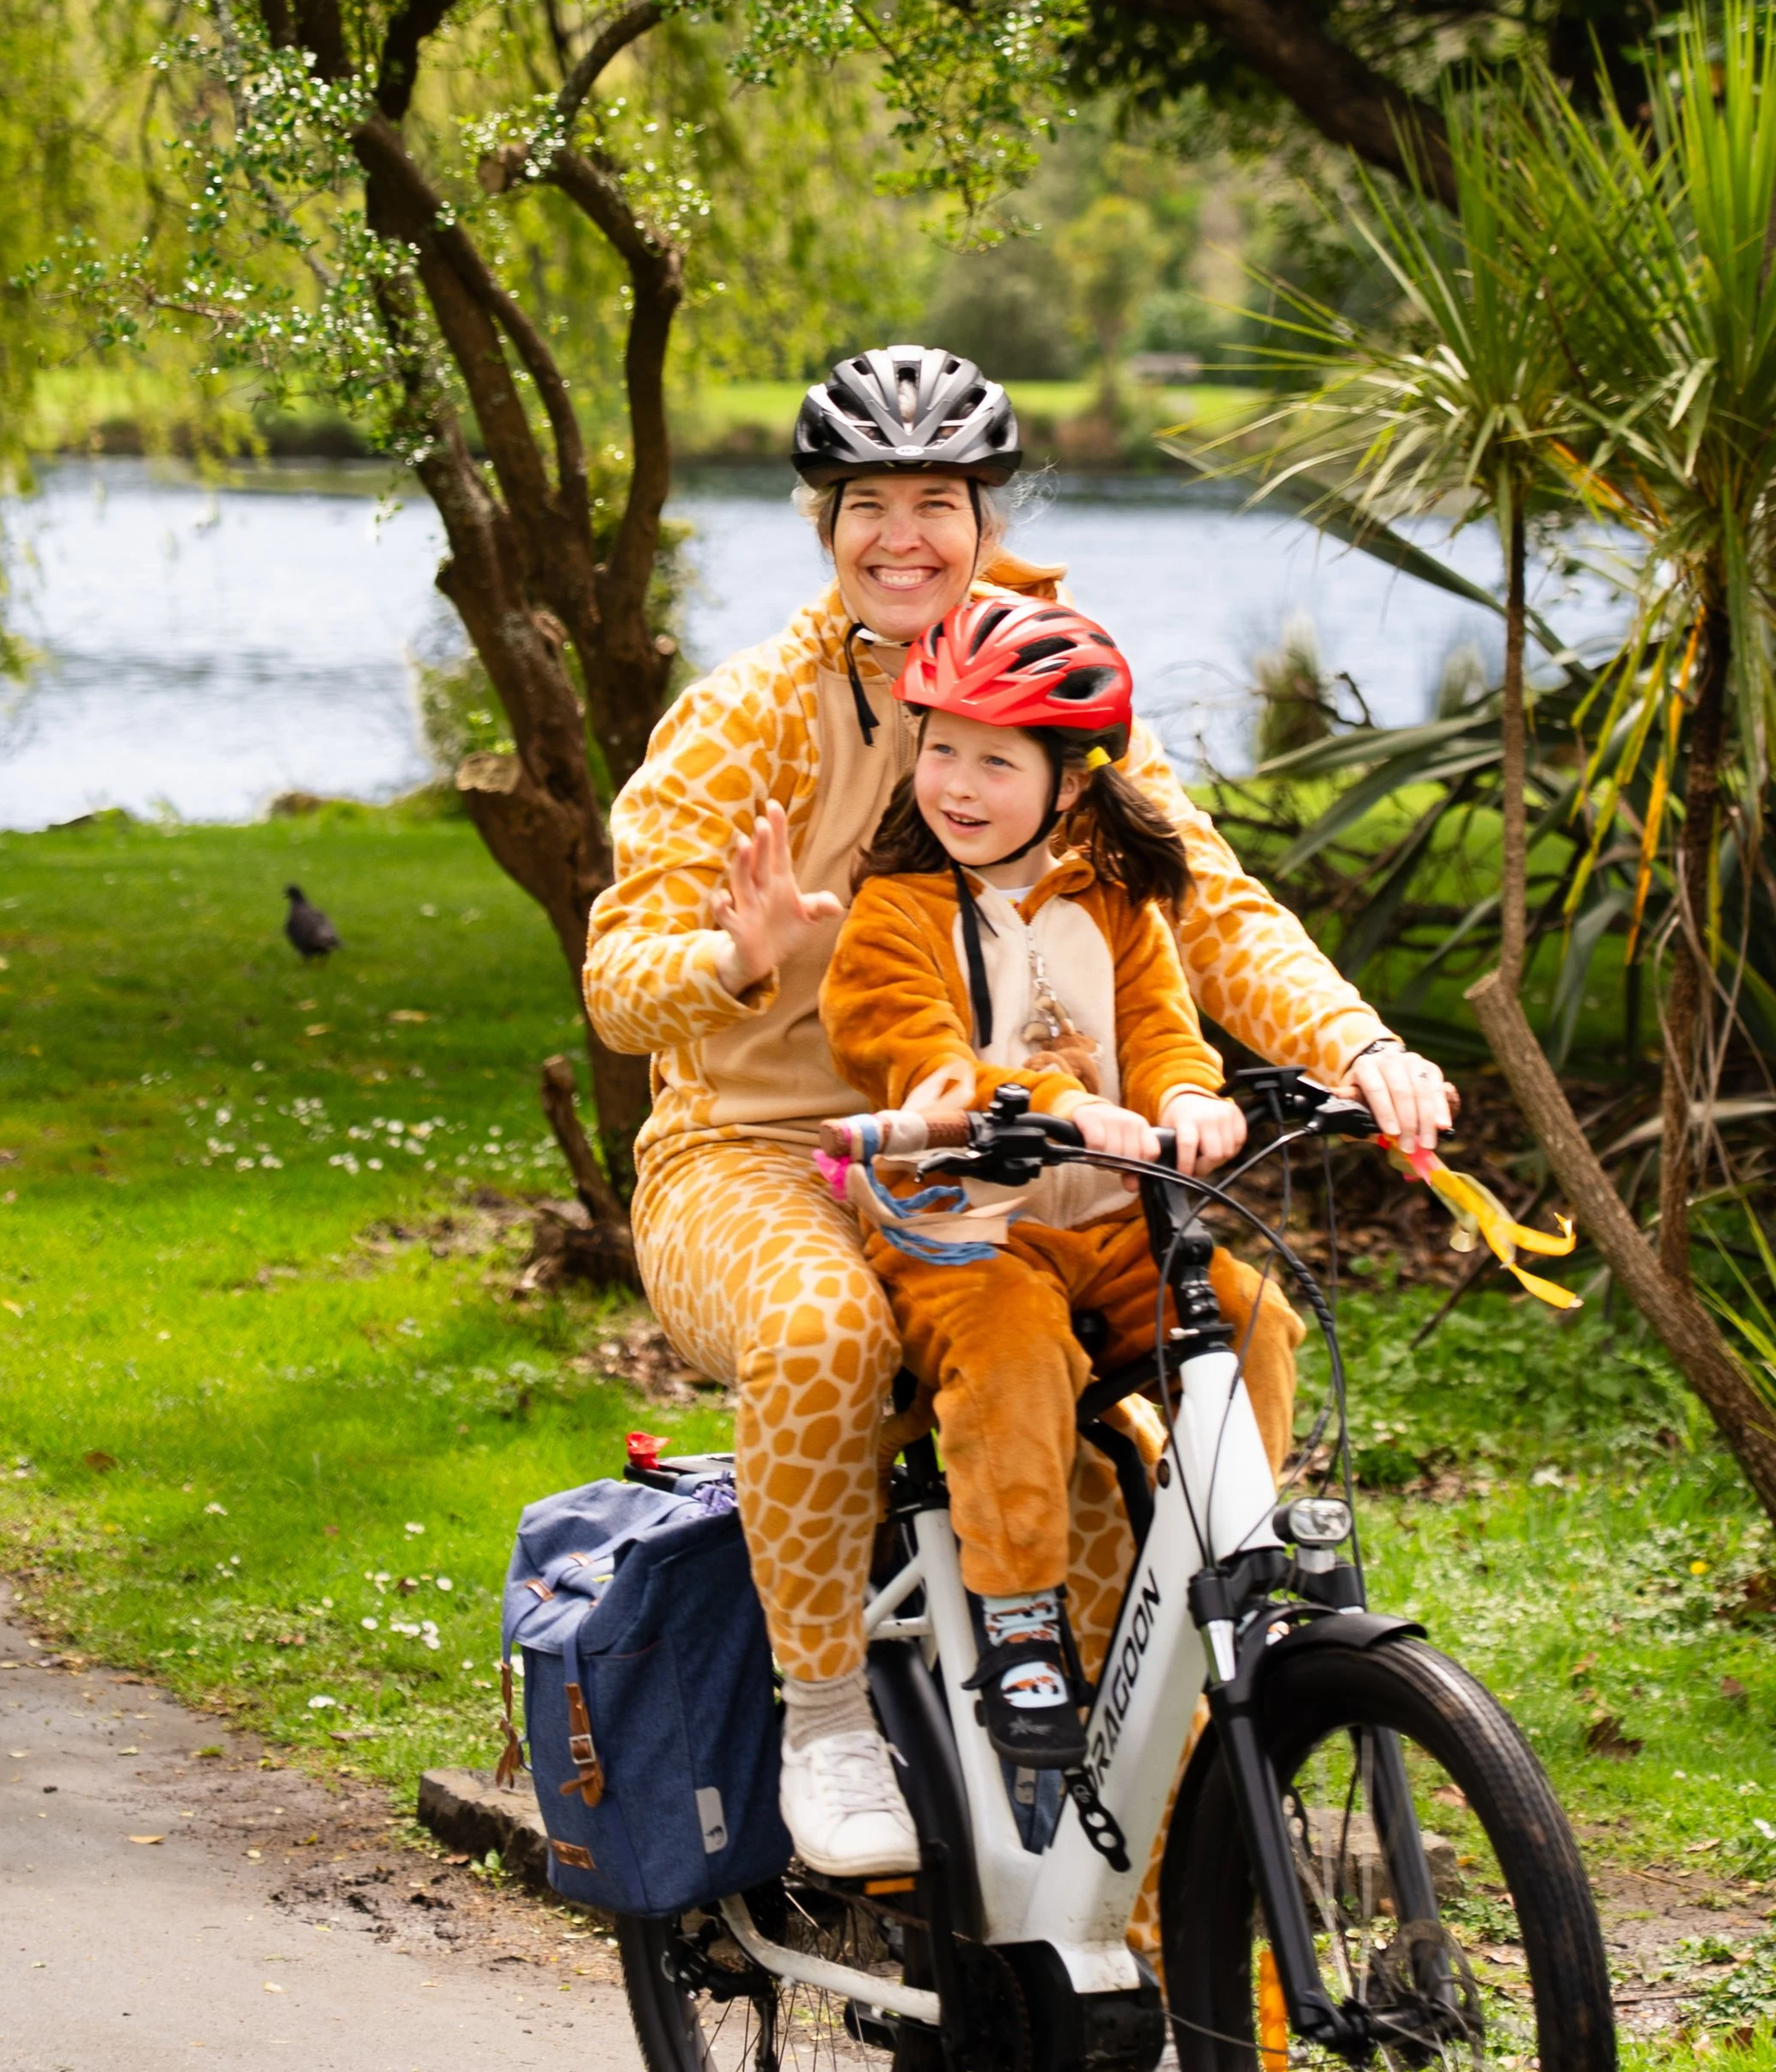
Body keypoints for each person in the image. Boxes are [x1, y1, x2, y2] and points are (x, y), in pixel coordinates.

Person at [583, 343, 1455, 1875]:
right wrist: (736, 953)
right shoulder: (746, 721)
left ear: (987, 513)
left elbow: (1208, 905)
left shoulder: (1055, 682)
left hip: (1019, 1163)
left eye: (938, 499)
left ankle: (1145, 1886)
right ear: (818, 519)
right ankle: (825, 1718)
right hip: (762, 1154)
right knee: (819, 1334)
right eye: (867, 503)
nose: (903, 535)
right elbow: (616, 983)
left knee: (1149, 1474)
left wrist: (1355, 1039)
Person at [816, 592, 1296, 1764]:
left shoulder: (1115, 904)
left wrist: (1186, 1096)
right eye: (941, 750)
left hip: (1116, 1227)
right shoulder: (895, 916)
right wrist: (1055, 1104)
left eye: (994, 759)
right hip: (967, 1231)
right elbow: (920, 1056)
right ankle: (1020, 1613)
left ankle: (1232, 1555)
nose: (959, 784)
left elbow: (1167, 1029)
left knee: (1253, 1317)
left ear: (1071, 782)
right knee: (1015, 1359)